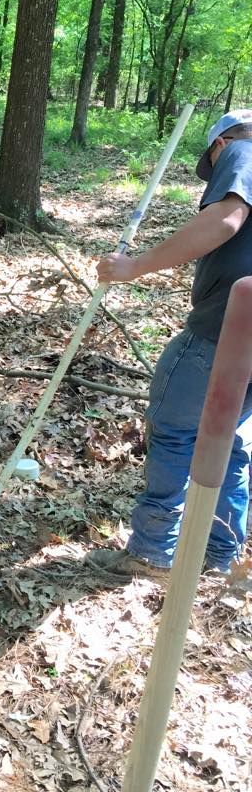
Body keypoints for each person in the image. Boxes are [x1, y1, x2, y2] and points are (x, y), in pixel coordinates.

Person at [88, 109, 252, 578]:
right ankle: (221, 554)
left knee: (175, 427)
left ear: (220, 145)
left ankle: (152, 550)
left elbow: (226, 218)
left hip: (225, 330)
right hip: (242, 332)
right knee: (228, 439)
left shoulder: (242, 150)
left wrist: (134, 266)